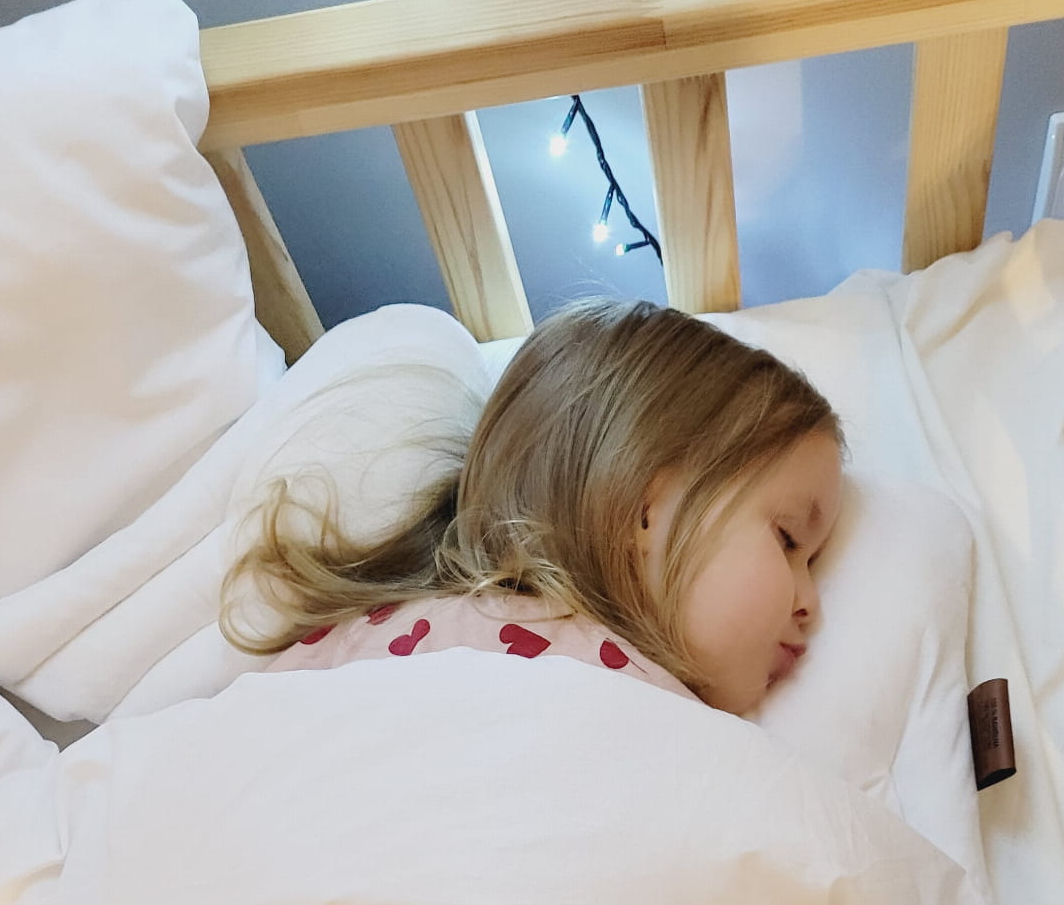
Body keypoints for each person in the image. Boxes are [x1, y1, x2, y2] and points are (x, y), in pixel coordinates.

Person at [223, 298, 843, 717]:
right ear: (643, 507)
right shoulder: (606, 687)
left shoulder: (367, 634)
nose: (811, 604)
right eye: (788, 540)